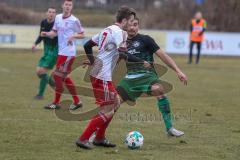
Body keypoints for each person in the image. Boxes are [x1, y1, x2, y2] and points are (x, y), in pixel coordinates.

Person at [76, 6, 150, 150]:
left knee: (115, 103)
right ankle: (84, 138)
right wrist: (141, 61)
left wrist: (93, 62)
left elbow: (87, 45)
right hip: (102, 76)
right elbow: (123, 53)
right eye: (130, 21)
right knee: (108, 110)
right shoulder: (120, 33)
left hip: (99, 73)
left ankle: (99, 138)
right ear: (123, 20)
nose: (131, 24)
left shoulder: (107, 30)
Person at [117, 17, 188, 137]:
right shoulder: (121, 43)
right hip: (130, 79)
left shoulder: (146, 39)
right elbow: (114, 60)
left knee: (158, 89)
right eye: (130, 25)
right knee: (113, 103)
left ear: (138, 26)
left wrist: (178, 71)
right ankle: (97, 134)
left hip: (147, 76)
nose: (133, 27)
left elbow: (163, 55)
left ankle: (170, 128)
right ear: (125, 26)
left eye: (135, 25)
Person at [41, 0, 84, 110]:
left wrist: (73, 36)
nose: (68, 7)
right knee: (64, 78)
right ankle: (77, 101)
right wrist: (46, 34)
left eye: (70, 5)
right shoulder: (58, 18)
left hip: (69, 53)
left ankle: (56, 102)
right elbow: (54, 32)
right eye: (66, 5)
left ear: (72, 7)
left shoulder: (74, 20)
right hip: (61, 52)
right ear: (62, 6)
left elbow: (82, 34)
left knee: (57, 76)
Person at [32, 7, 58, 100]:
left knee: (42, 71)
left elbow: (53, 35)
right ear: (47, 13)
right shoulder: (43, 22)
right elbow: (41, 35)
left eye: (53, 12)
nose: (51, 14)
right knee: (39, 72)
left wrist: (46, 34)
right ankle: (49, 85)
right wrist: (35, 44)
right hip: (46, 49)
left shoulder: (57, 24)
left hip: (54, 51)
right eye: (50, 12)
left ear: (55, 14)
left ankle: (42, 93)